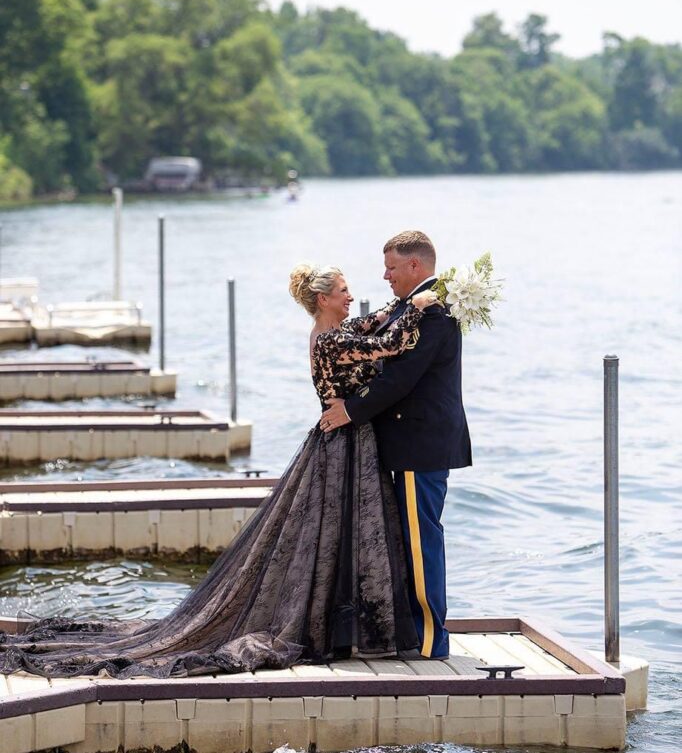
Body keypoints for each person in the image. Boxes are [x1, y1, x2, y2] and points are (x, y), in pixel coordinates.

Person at [0, 264, 438, 679]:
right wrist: (419, 308)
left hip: (350, 442)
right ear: (324, 298)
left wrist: (407, 302)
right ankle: (339, 627)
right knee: (330, 539)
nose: (352, 296)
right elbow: (390, 343)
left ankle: (346, 627)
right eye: (344, 291)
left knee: (337, 539)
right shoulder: (327, 339)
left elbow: (377, 320)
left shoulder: (336, 329)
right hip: (341, 445)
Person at [322, 231, 471, 661]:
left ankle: (429, 641)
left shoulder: (433, 312)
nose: (384, 276)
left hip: (418, 443)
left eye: (391, 267)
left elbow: (400, 378)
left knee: (422, 540)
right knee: (407, 538)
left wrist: (350, 410)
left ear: (415, 266)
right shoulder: (413, 306)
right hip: (408, 440)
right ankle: (409, 632)